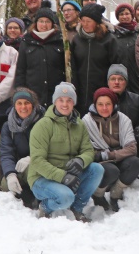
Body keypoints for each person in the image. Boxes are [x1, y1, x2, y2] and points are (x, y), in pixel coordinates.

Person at [27, 82, 104, 221]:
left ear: (73, 103)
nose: (65, 104)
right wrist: (62, 176)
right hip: (42, 178)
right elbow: (37, 161)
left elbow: (88, 150)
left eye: (69, 100)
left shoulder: (79, 124)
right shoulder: (43, 125)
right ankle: (45, 207)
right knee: (66, 197)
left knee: (97, 169)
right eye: (61, 100)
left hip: (69, 174)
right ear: (55, 101)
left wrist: (81, 160)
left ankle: (77, 208)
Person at [83, 88, 139, 212]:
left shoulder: (123, 119)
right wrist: (102, 157)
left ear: (114, 104)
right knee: (111, 171)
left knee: (135, 163)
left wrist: (108, 155)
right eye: (100, 104)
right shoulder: (86, 122)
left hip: (116, 156)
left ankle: (116, 193)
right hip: (98, 161)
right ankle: (98, 194)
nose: (104, 108)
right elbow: (86, 149)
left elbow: (132, 148)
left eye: (108, 104)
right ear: (95, 105)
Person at [0, 87, 43, 209]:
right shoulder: (8, 126)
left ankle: (40, 195)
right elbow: (6, 152)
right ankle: (27, 195)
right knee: (5, 184)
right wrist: (10, 174)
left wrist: (32, 158)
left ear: (33, 105)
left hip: (39, 165)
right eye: (19, 103)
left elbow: (50, 148)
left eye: (27, 103)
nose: (23, 107)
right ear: (14, 105)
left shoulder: (43, 122)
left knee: (34, 172)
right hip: (19, 168)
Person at [71, 3, 118, 115]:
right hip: (80, 92)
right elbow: (73, 66)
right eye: (82, 20)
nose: (85, 24)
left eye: (88, 21)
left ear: (96, 22)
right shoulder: (76, 40)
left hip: (102, 92)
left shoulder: (109, 40)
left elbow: (115, 65)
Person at [14, 7, 66, 108]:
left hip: (56, 95)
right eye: (41, 21)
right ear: (36, 23)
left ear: (52, 24)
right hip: (33, 95)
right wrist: (20, 92)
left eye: (47, 21)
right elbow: (21, 70)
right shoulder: (26, 42)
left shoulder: (60, 41)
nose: (44, 25)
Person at [106, 64, 139, 172]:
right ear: (108, 82)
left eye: (121, 79)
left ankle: (137, 171)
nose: (116, 82)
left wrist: (130, 137)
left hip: (132, 146)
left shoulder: (137, 100)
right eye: (113, 79)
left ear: (126, 82)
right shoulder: (101, 102)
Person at [112, 3, 139, 94]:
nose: (124, 16)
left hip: (136, 79)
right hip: (118, 79)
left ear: (132, 15)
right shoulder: (113, 36)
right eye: (121, 14)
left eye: (127, 14)